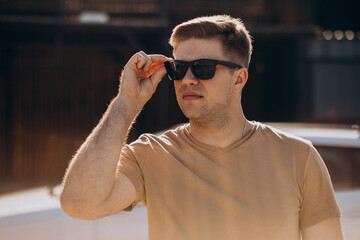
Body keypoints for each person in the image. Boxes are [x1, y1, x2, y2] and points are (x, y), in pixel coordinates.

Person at [60, 15, 343, 239]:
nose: (188, 80)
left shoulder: (299, 158)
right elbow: (79, 203)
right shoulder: (152, 155)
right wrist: (126, 103)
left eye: (204, 68)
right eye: (178, 69)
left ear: (238, 79)